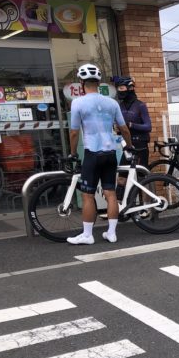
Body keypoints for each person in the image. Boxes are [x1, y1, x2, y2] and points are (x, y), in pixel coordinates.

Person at [67, 63, 133, 245]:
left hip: (93, 153)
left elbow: (74, 132)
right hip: (111, 152)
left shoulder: (78, 102)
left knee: (88, 195)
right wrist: (129, 146)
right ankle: (111, 233)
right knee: (110, 194)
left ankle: (88, 235)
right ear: (99, 82)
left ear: (81, 82)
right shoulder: (112, 103)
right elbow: (124, 129)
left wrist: (72, 153)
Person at [115, 76, 151, 167]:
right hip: (128, 145)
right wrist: (117, 128)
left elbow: (148, 126)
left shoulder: (140, 105)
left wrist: (131, 125)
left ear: (130, 88)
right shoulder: (120, 105)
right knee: (121, 179)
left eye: (121, 88)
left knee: (140, 177)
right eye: (118, 88)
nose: (119, 91)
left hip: (140, 145)